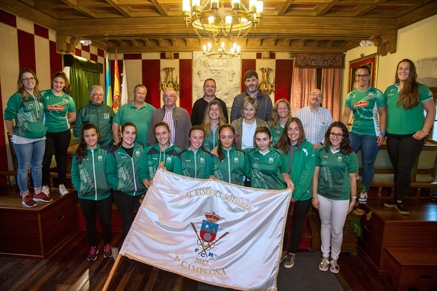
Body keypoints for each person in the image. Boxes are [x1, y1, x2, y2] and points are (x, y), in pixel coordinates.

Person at [383, 59, 436, 215]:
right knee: (397, 168)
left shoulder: (421, 89)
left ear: (411, 71)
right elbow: (385, 113)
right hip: (393, 136)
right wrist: (383, 132)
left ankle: (401, 200)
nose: (403, 71)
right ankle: (396, 197)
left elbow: (431, 112)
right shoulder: (390, 90)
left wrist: (425, 131)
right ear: (397, 70)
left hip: (412, 137)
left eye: (407, 69)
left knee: (405, 169)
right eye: (400, 68)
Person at [312, 122, 358, 274]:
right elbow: (316, 175)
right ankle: (325, 257)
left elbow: (352, 179)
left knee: (337, 230)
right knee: (325, 225)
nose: (335, 137)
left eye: (339, 134)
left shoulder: (349, 154)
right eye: (333, 134)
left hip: (341, 197)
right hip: (323, 195)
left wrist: (353, 198)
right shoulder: (321, 151)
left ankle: (335, 258)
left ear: (344, 136)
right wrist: (314, 196)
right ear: (328, 135)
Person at [4, 68, 52, 207]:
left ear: (35, 80)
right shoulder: (18, 97)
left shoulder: (39, 95)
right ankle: (25, 194)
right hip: (23, 138)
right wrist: (13, 133)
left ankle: (37, 192)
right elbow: (8, 116)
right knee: (24, 168)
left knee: (38, 166)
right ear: (21, 82)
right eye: (25, 79)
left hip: (39, 136)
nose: (29, 81)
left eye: (31, 78)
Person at [341, 65, 387, 204]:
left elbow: (383, 114)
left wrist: (382, 133)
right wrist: (341, 133)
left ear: (369, 76)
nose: (361, 78)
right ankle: (347, 187)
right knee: (344, 157)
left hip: (372, 134)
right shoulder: (351, 95)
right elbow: (345, 115)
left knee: (368, 163)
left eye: (364, 75)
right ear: (355, 77)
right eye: (359, 75)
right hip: (354, 132)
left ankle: (363, 192)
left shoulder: (377, 94)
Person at [276, 117, 315, 268]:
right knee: (283, 224)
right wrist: (285, 191)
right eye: (290, 129)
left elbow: (308, 172)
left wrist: (296, 194)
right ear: (286, 131)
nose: (293, 132)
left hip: (302, 193)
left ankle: (292, 252)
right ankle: (283, 250)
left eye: (296, 129)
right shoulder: (280, 146)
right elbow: (277, 168)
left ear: (301, 130)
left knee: (298, 222)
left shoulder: (308, 148)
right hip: (283, 192)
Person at [71, 124, 112, 261]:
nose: (90, 138)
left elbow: (111, 172)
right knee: (90, 223)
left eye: (93, 135)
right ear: (83, 137)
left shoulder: (105, 153)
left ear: (98, 135)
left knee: (105, 222)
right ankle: (93, 246)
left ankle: (107, 244)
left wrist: (109, 186)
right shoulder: (78, 154)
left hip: (104, 195)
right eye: (87, 136)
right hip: (85, 196)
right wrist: (79, 188)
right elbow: (74, 174)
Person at [107, 122, 146, 238]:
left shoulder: (141, 148)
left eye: (133, 133)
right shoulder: (114, 153)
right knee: (127, 220)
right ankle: (127, 250)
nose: (130, 136)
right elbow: (110, 173)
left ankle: (140, 247)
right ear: (121, 134)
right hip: (123, 194)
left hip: (140, 192)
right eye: (127, 132)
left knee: (142, 221)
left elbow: (145, 168)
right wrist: (118, 186)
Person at [41, 71, 76, 196]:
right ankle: (45, 185)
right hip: (47, 132)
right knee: (46, 159)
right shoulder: (43, 95)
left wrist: (62, 122)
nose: (58, 84)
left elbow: (72, 117)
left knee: (61, 159)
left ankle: (62, 185)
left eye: (61, 82)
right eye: (56, 82)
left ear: (64, 84)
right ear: (52, 82)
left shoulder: (68, 99)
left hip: (63, 132)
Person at [139, 122, 183, 189]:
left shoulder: (177, 152)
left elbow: (178, 177)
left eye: (164, 133)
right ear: (155, 136)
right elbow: (142, 170)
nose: (161, 137)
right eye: (158, 134)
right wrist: (147, 183)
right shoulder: (147, 151)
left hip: (169, 193)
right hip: (151, 193)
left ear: (169, 133)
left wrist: (166, 173)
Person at [74, 85, 115, 149]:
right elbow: (77, 129)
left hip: (107, 145)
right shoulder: (83, 110)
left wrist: (112, 139)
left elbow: (115, 126)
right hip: (88, 146)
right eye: (96, 94)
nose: (98, 97)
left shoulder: (109, 110)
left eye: (101, 95)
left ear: (103, 97)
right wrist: (83, 142)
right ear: (91, 96)